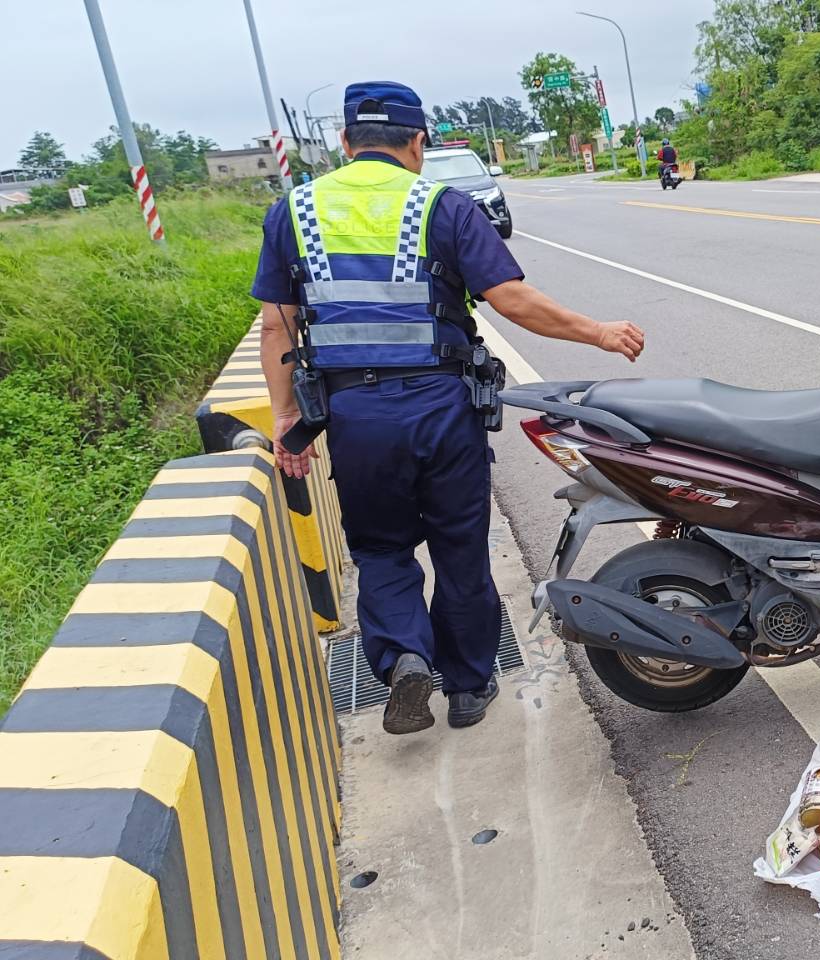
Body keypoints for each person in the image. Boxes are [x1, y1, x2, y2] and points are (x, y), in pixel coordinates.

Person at [252, 81, 646, 735]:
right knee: (459, 547)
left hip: (354, 417)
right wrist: (600, 332)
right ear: (417, 143)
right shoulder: (443, 205)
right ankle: (467, 687)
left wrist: (286, 419)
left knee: (381, 549)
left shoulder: (291, 212)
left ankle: (405, 653)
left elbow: (276, 327)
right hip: (442, 407)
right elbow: (512, 300)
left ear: (345, 143)